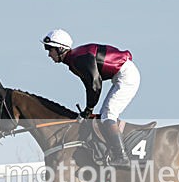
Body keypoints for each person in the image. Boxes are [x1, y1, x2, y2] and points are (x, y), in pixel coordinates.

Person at [41, 28, 140, 167]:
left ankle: (122, 156)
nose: (49, 54)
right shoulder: (74, 60)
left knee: (108, 115)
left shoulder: (78, 59)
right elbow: (91, 86)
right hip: (120, 74)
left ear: (60, 49)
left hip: (126, 75)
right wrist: (88, 109)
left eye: (50, 50)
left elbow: (95, 85)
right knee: (105, 114)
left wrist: (88, 109)